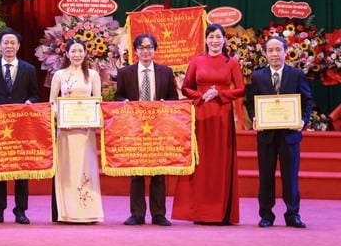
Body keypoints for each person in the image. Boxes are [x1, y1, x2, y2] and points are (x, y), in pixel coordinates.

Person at [171, 23, 245, 225]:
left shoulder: (232, 63)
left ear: (224, 40)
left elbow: (240, 90)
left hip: (222, 114)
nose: (215, 41)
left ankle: (220, 212)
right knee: (201, 162)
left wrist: (220, 94)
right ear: (205, 39)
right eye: (211, 37)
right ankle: (200, 211)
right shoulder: (197, 60)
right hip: (201, 113)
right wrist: (201, 95)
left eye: (218, 37)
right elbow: (186, 87)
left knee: (220, 161)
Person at [246, 35, 312, 228]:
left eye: (278, 50)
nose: (275, 54)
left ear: (285, 52)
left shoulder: (297, 74)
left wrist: (302, 120)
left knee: (290, 176)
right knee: (265, 175)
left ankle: (292, 214)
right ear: (265, 54)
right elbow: (250, 102)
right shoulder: (257, 76)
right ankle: (266, 215)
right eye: (271, 50)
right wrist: (255, 117)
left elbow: (307, 101)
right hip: (266, 135)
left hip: (290, 135)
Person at [114, 33, 178, 226]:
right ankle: (137, 214)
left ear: (155, 50)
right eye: (142, 48)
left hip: (159, 128)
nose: (146, 52)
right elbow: (118, 97)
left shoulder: (166, 72)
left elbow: (174, 99)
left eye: (149, 48)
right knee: (137, 171)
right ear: (135, 51)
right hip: (135, 127)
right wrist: (123, 102)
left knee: (159, 170)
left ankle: (158, 214)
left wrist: (166, 104)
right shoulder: (125, 73)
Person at [0, 28, 40, 224]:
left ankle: (20, 210)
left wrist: (30, 102)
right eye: (6, 43)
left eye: (13, 43)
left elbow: (34, 94)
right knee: (0, 167)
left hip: (21, 126)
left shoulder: (29, 69)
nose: (9, 46)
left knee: (21, 168)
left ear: (19, 46)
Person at [49, 38, 104, 223]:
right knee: (68, 170)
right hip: (65, 131)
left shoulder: (93, 75)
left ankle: (88, 211)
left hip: (86, 132)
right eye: (73, 51)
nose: (77, 55)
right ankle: (67, 212)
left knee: (85, 167)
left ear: (85, 53)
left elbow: (97, 101)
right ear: (67, 54)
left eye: (80, 51)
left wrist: (92, 120)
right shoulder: (60, 75)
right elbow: (52, 103)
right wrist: (62, 119)